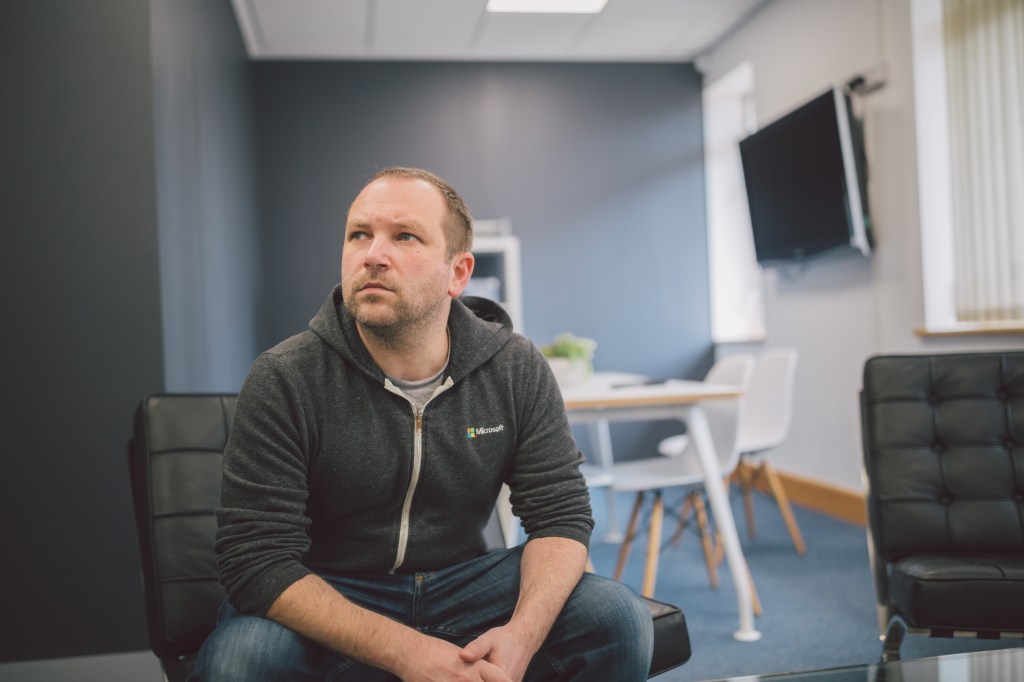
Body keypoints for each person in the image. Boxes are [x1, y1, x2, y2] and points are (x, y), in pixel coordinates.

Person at [192, 167, 653, 681]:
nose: (373, 255)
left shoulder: (514, 368)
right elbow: (255, 559)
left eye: (405, 236)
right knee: (239, 661)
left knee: (616, 617)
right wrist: (409, 653)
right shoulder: (285, 377)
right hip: (335, 586)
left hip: (464, 584)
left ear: (458, 272)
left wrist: (521, 637)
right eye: (359, 234)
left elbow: (560, 516)